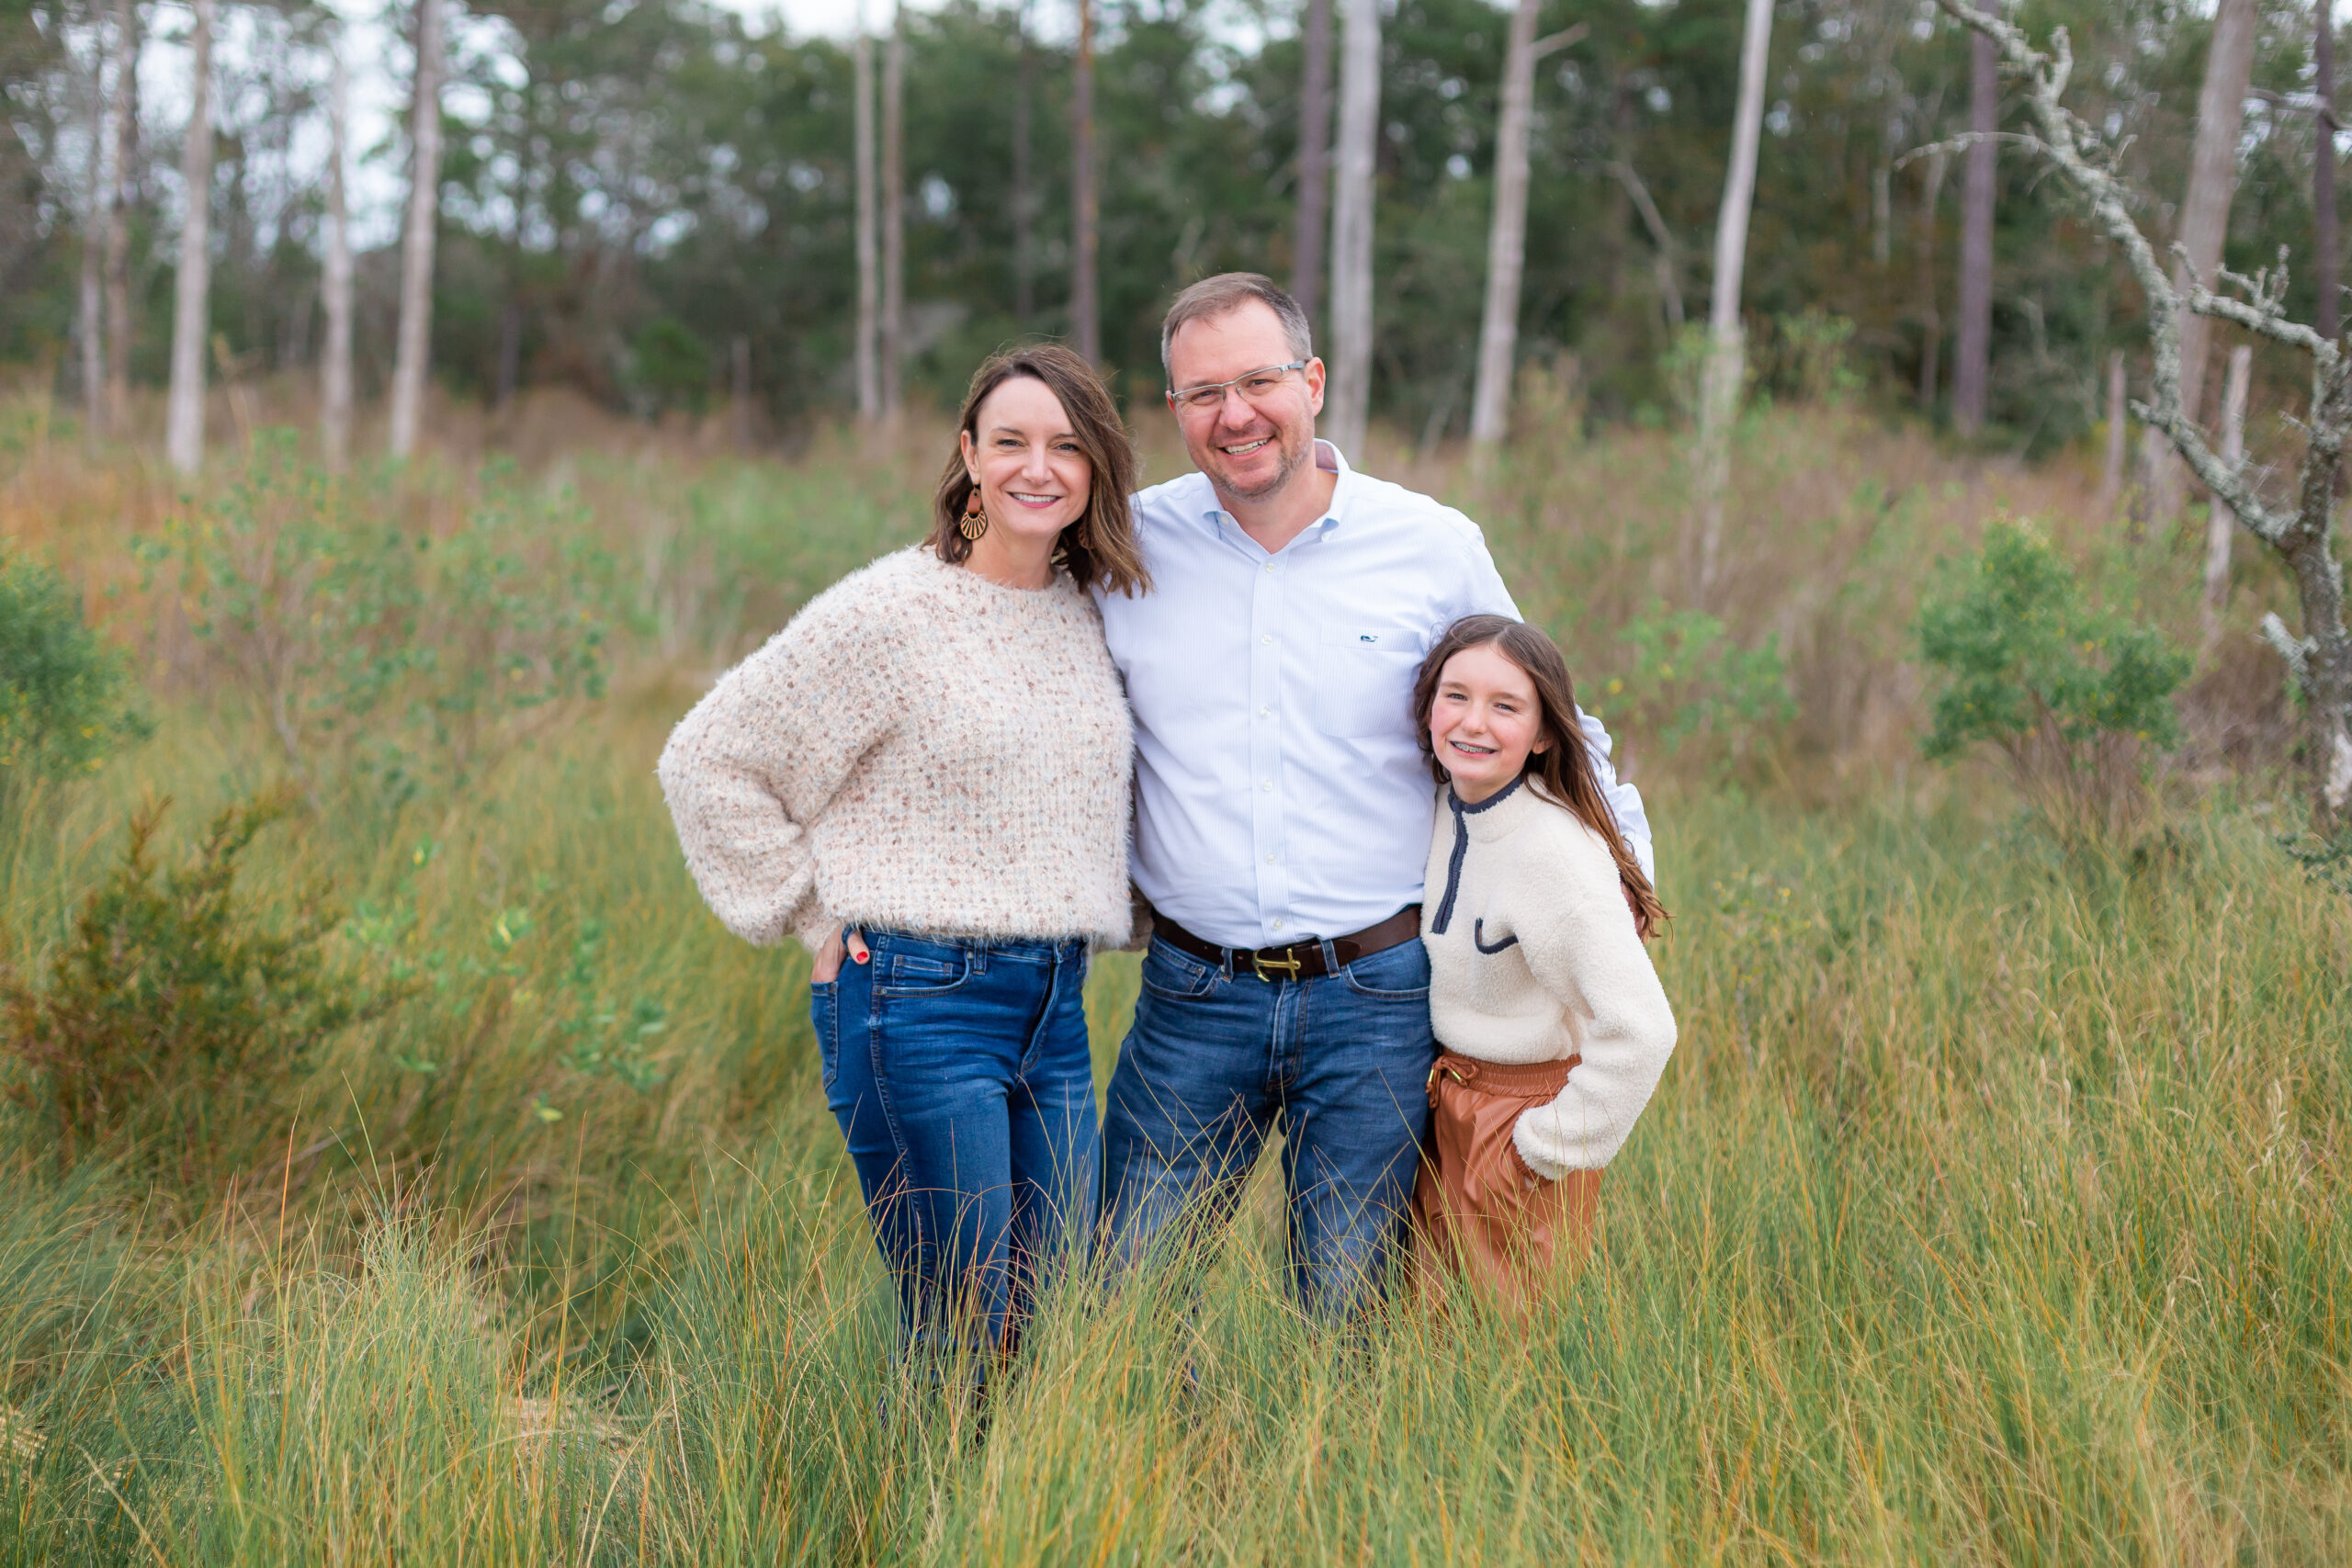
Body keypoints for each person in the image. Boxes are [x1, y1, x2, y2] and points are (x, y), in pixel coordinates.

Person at [1093, 273, 1654, 1316]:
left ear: (1311, 380)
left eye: (1258, 381)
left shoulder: (1429, 544)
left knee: (1349, 1310)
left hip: (1380, 995)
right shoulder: (1125, 549)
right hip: (1191, 994)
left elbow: (1552, 723)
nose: (1235, 414)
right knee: (1123, 1296)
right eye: (1202, 393)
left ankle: (1329, 1480)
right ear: (1174, 412)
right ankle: (1149, 1477)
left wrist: (1621, 895)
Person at [657, 344, 1147, 1380]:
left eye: (1065, 445)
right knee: (961, 1329)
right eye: (1009, 441)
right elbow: (708, 757)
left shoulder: (1084, 613)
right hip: (918, 1001)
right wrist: (805, 913)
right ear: (968, 457)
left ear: (1096, 465)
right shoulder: (893, 612)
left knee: (1053, 1321)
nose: (1037, 467)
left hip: (1055, 1009)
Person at [1408, 615, 1676, 1313]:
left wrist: (1542, 1148)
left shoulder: (1553, 850)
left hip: (1522, 1120)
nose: (1474, 722)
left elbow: (1644, 1029)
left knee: (1513, 1352)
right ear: (1428, 705)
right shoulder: (1436, 808)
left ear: (1545, 732)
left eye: (1506, 706)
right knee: (1428, 1338)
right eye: (1455, 695)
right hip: (1444, 1108)